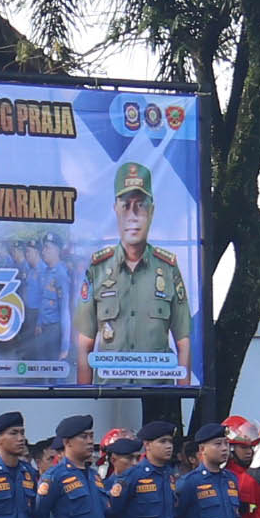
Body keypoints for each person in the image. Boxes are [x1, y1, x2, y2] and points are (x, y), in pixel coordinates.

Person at [77, 159, 193, 377]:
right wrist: (86, 395)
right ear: (115, 210)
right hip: (109, 397)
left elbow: (183, 342)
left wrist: (181, 393)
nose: (133, 215)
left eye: (140, 205)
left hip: (157, 397)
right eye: (126, 205)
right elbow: (85, 344)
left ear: (152, 211)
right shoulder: (97, 269)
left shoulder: (168, 269)